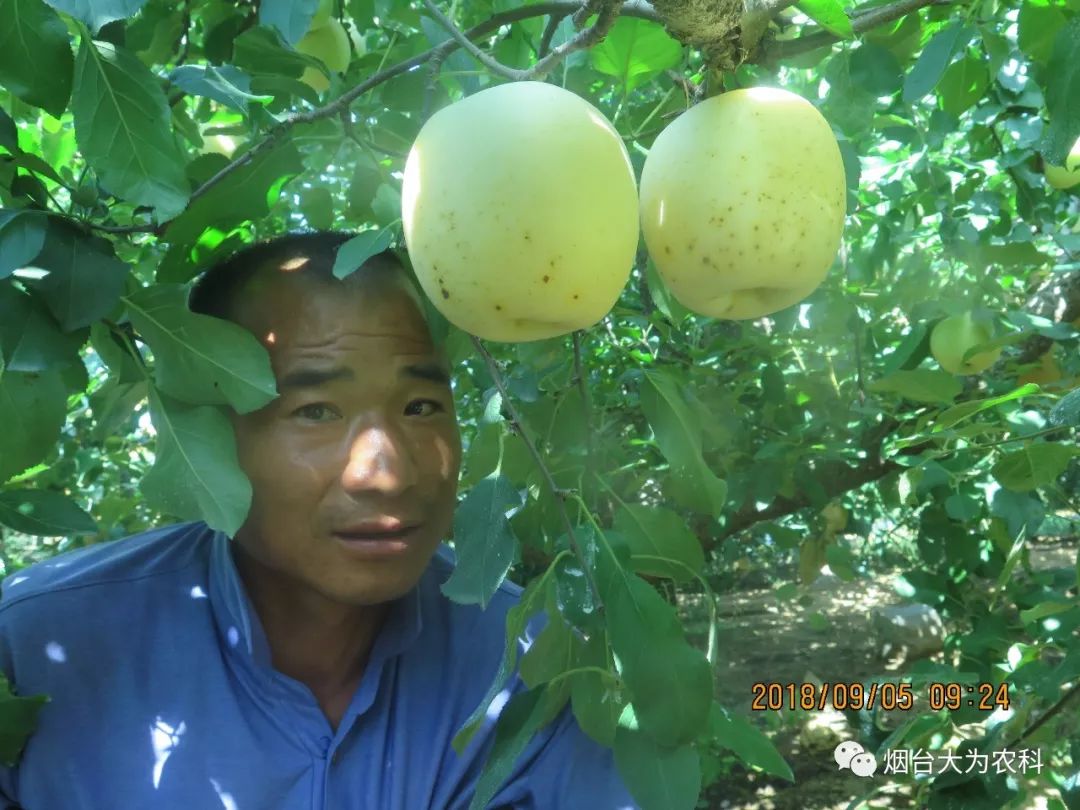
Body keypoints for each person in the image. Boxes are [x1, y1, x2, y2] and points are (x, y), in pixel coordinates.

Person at [0, 232, 638, 809]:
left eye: (420, 406)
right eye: (316, 412)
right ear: (212, 433)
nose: (386, 473)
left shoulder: (534, 660)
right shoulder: (34, 652)